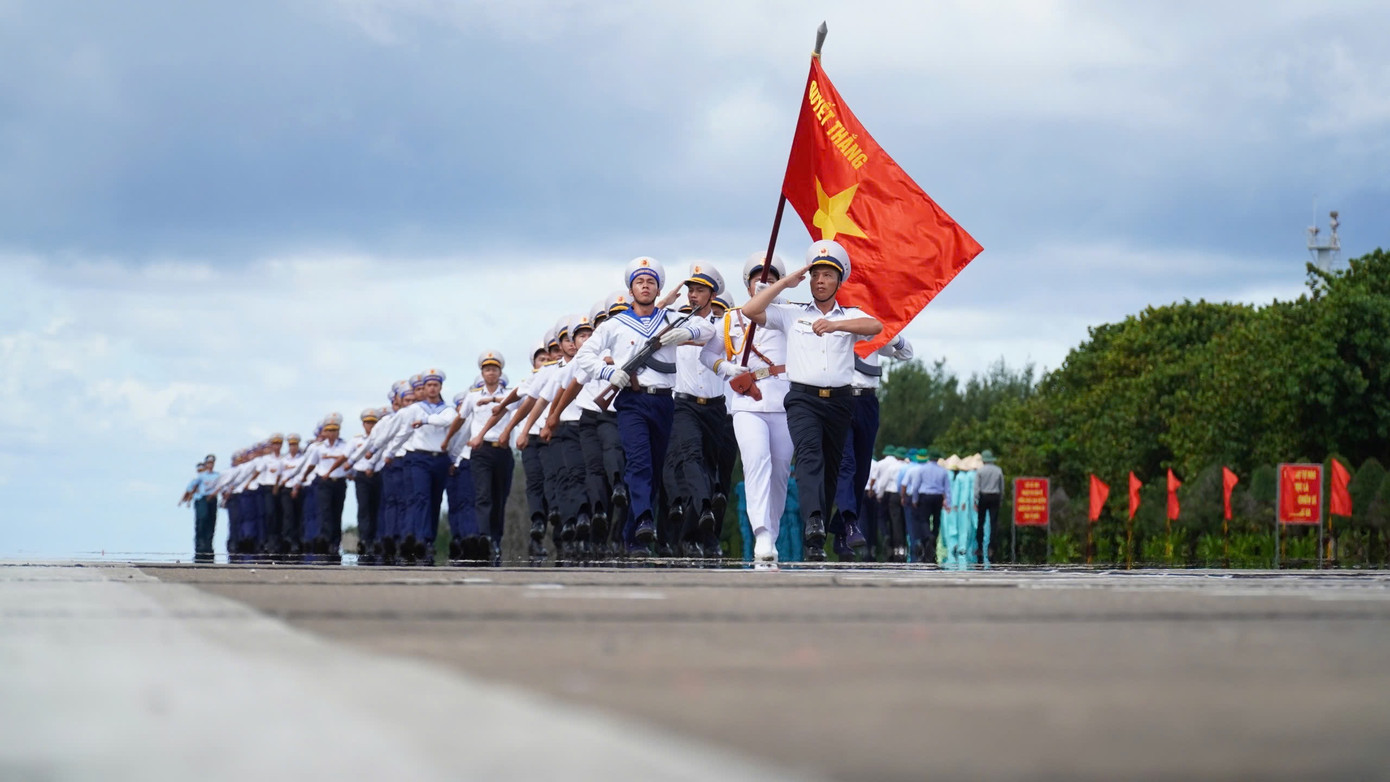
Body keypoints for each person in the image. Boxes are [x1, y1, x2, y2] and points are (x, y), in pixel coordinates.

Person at [740, 240, 883, 561]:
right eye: (815, 274)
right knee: (808, 459)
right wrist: (782, 284)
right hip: (803, 399)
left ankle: (816, 540)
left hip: (841, 401)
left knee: (832, 469)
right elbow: (751, 310)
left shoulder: (851, 316)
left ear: (839, 281)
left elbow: (875, 326)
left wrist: (836, 326)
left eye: (828, 275)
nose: (820, 281)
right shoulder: (792, 313)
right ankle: (814, 519)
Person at [574, 257, 714, 553]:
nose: (646, 286)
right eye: (640, 282)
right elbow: (584, 357)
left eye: (651, 282)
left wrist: (686, 333)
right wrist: (611, 373)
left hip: (664, 402)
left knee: (655, 466)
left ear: (658, 287)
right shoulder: (615, 324)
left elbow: (708, 330)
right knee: (638, 463)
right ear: (631, 288)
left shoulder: (671, 318)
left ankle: (634, 534)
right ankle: (645, 520)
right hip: (632, 402)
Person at [700, 251, 794, 567]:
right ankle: (762, 533)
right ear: (748, 282)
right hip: (747, 402)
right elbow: (707, 356)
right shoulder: (732, 317)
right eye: (757, 277)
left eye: (770, 278)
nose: (763, 282)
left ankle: (773, 531)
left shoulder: (790, 314)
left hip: (783, 400)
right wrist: (726, 368)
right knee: (757, 462)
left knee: (781, 470)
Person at [664, 262, 732, 558]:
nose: (693, 295)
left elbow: (705, 335)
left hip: (718, 409)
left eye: (700, 290)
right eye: (690, 290)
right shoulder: (673, 324)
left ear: (712, 295)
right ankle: (703, 509)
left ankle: (703, 535)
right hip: (685, 405)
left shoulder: (724, 329)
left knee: (711, 470)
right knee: (692, 460)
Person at [832, 331, 913, 561]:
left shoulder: (875, 334)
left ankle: (841, 531)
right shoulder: (837, 331)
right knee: (846, 464)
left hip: (868, 401)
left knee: (862, 471)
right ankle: (849, 522)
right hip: (841, 400)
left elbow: (907, 353)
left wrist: (892, 335)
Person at [385, 369, 452, 564]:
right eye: (428, 385)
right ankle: (420, 540)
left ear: (440, 387)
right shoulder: (414, 409)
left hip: (439, 458)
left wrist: (425, 420)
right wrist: (390, 452)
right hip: (418, 458)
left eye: (435, 385)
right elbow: (404, 433)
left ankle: (426, 539)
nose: (431, 389)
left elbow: (448, 422)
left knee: (434, 501)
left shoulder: (447, 409)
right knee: (420, 498)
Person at [455, 351, 514, 561]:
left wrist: (497, 399)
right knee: (483, 496)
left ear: (500, 372)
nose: (491, 373)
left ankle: (496, 539)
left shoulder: (510, 395)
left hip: (503, 451)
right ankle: (485, 537)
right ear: (482, 373)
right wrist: (449, 441)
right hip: (481, 451)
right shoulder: (472, 397)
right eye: (487, 369)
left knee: (499, 497)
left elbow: (519, 405)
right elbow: (460, 420)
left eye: (495, 369)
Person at [179, 456, 219, 563]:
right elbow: (192, 489)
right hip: (202, 499)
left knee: (211, 525)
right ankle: (200, 551)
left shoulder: (217, 475)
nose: (210, 465)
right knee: (202, 523)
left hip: (213, 500)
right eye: (208, 463)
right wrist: (186, 500)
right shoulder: (201, 476)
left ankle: (209, 552)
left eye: (212, 463)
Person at [919, 449, 950, 564]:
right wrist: (948, 502)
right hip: (938, 497)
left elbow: (917, 484)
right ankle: (933, 539)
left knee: (924, 520)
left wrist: (915, 499)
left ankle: (928, 536)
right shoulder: (943, 471)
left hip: (925, 496)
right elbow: (947, 488)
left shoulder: (923, 469)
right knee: (937, 520)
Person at [974, 450, 1003, 566]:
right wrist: (1001, 499)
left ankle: (980, 547)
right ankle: (992, 547)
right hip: (995, 496)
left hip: (983, 496)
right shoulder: (998, 470)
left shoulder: (980, 471)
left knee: (980, 522)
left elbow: (976, 488)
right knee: (993, 523)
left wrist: (975, 500)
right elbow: (1002, 486)